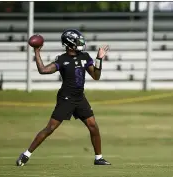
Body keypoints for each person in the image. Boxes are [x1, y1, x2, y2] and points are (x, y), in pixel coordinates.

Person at [16, 29, 111, 166]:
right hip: (66, 98)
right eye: (78, 40)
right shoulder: (62, 59)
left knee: (93, 127)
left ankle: (99, 158)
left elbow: (96, 76)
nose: (81, 43)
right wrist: (37, 51)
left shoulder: (85, 57)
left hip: (79, 98)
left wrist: (99, 59)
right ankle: (25, 155)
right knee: (50, 128)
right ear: (70, 43)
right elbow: (43, 70)